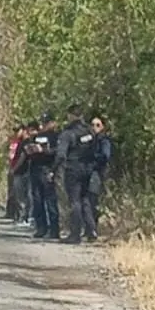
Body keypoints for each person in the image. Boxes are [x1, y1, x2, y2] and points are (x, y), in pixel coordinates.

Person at [55, 103, 98, 243]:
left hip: (73, 169)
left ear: (71, 116)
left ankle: (75, 234)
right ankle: (91, 230)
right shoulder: (89, 131)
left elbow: (61, 155)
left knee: (75, 201)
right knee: (85, 199)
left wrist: (53, 170)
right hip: (88, 169)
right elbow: (94, 149)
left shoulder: (68, 133)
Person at [25, 112, 60, 239]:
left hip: (47, 169)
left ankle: (54, 230)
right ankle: (41, 228)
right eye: (43, 122)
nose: (44, 125)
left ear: (52, 123)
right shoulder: (36, 137)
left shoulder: (56, 136)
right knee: (37, 200)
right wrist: (31, 150)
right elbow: (28, 151)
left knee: (50, 201)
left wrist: (44, 151)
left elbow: (58, 152)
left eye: (47, 122)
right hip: (35, 169)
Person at [88, 113, 112, 238]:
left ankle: (93, 229)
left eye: (98, 125)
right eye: (92, 125)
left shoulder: (104, 141)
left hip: (97, 173)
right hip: (87, 172)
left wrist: (92, 158)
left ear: (102, 127)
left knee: (92, 201)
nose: (94, 127)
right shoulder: (89, 140)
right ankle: (88, 228)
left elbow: (105, 156)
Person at [10, 122, 35, 226]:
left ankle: (26, 217)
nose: (16, 133)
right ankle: (23, 217)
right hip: (20, 172)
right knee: (20, 196)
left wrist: (14, 169)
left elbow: (22, 157)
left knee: (25, 197)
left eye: (18, 130)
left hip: (23, 172)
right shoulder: (20, 142)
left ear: (24, 130)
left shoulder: (27, 142)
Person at [4, 125, 26, 220]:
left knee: (20, 194)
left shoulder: (23, 142)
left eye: (18, 130)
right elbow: (10, 156)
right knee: (12, 193)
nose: (16, 133)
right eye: (15, 131)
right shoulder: (14, 143)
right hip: (13, 169)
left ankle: (21, 215)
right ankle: (12, 213)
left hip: (20, 170)